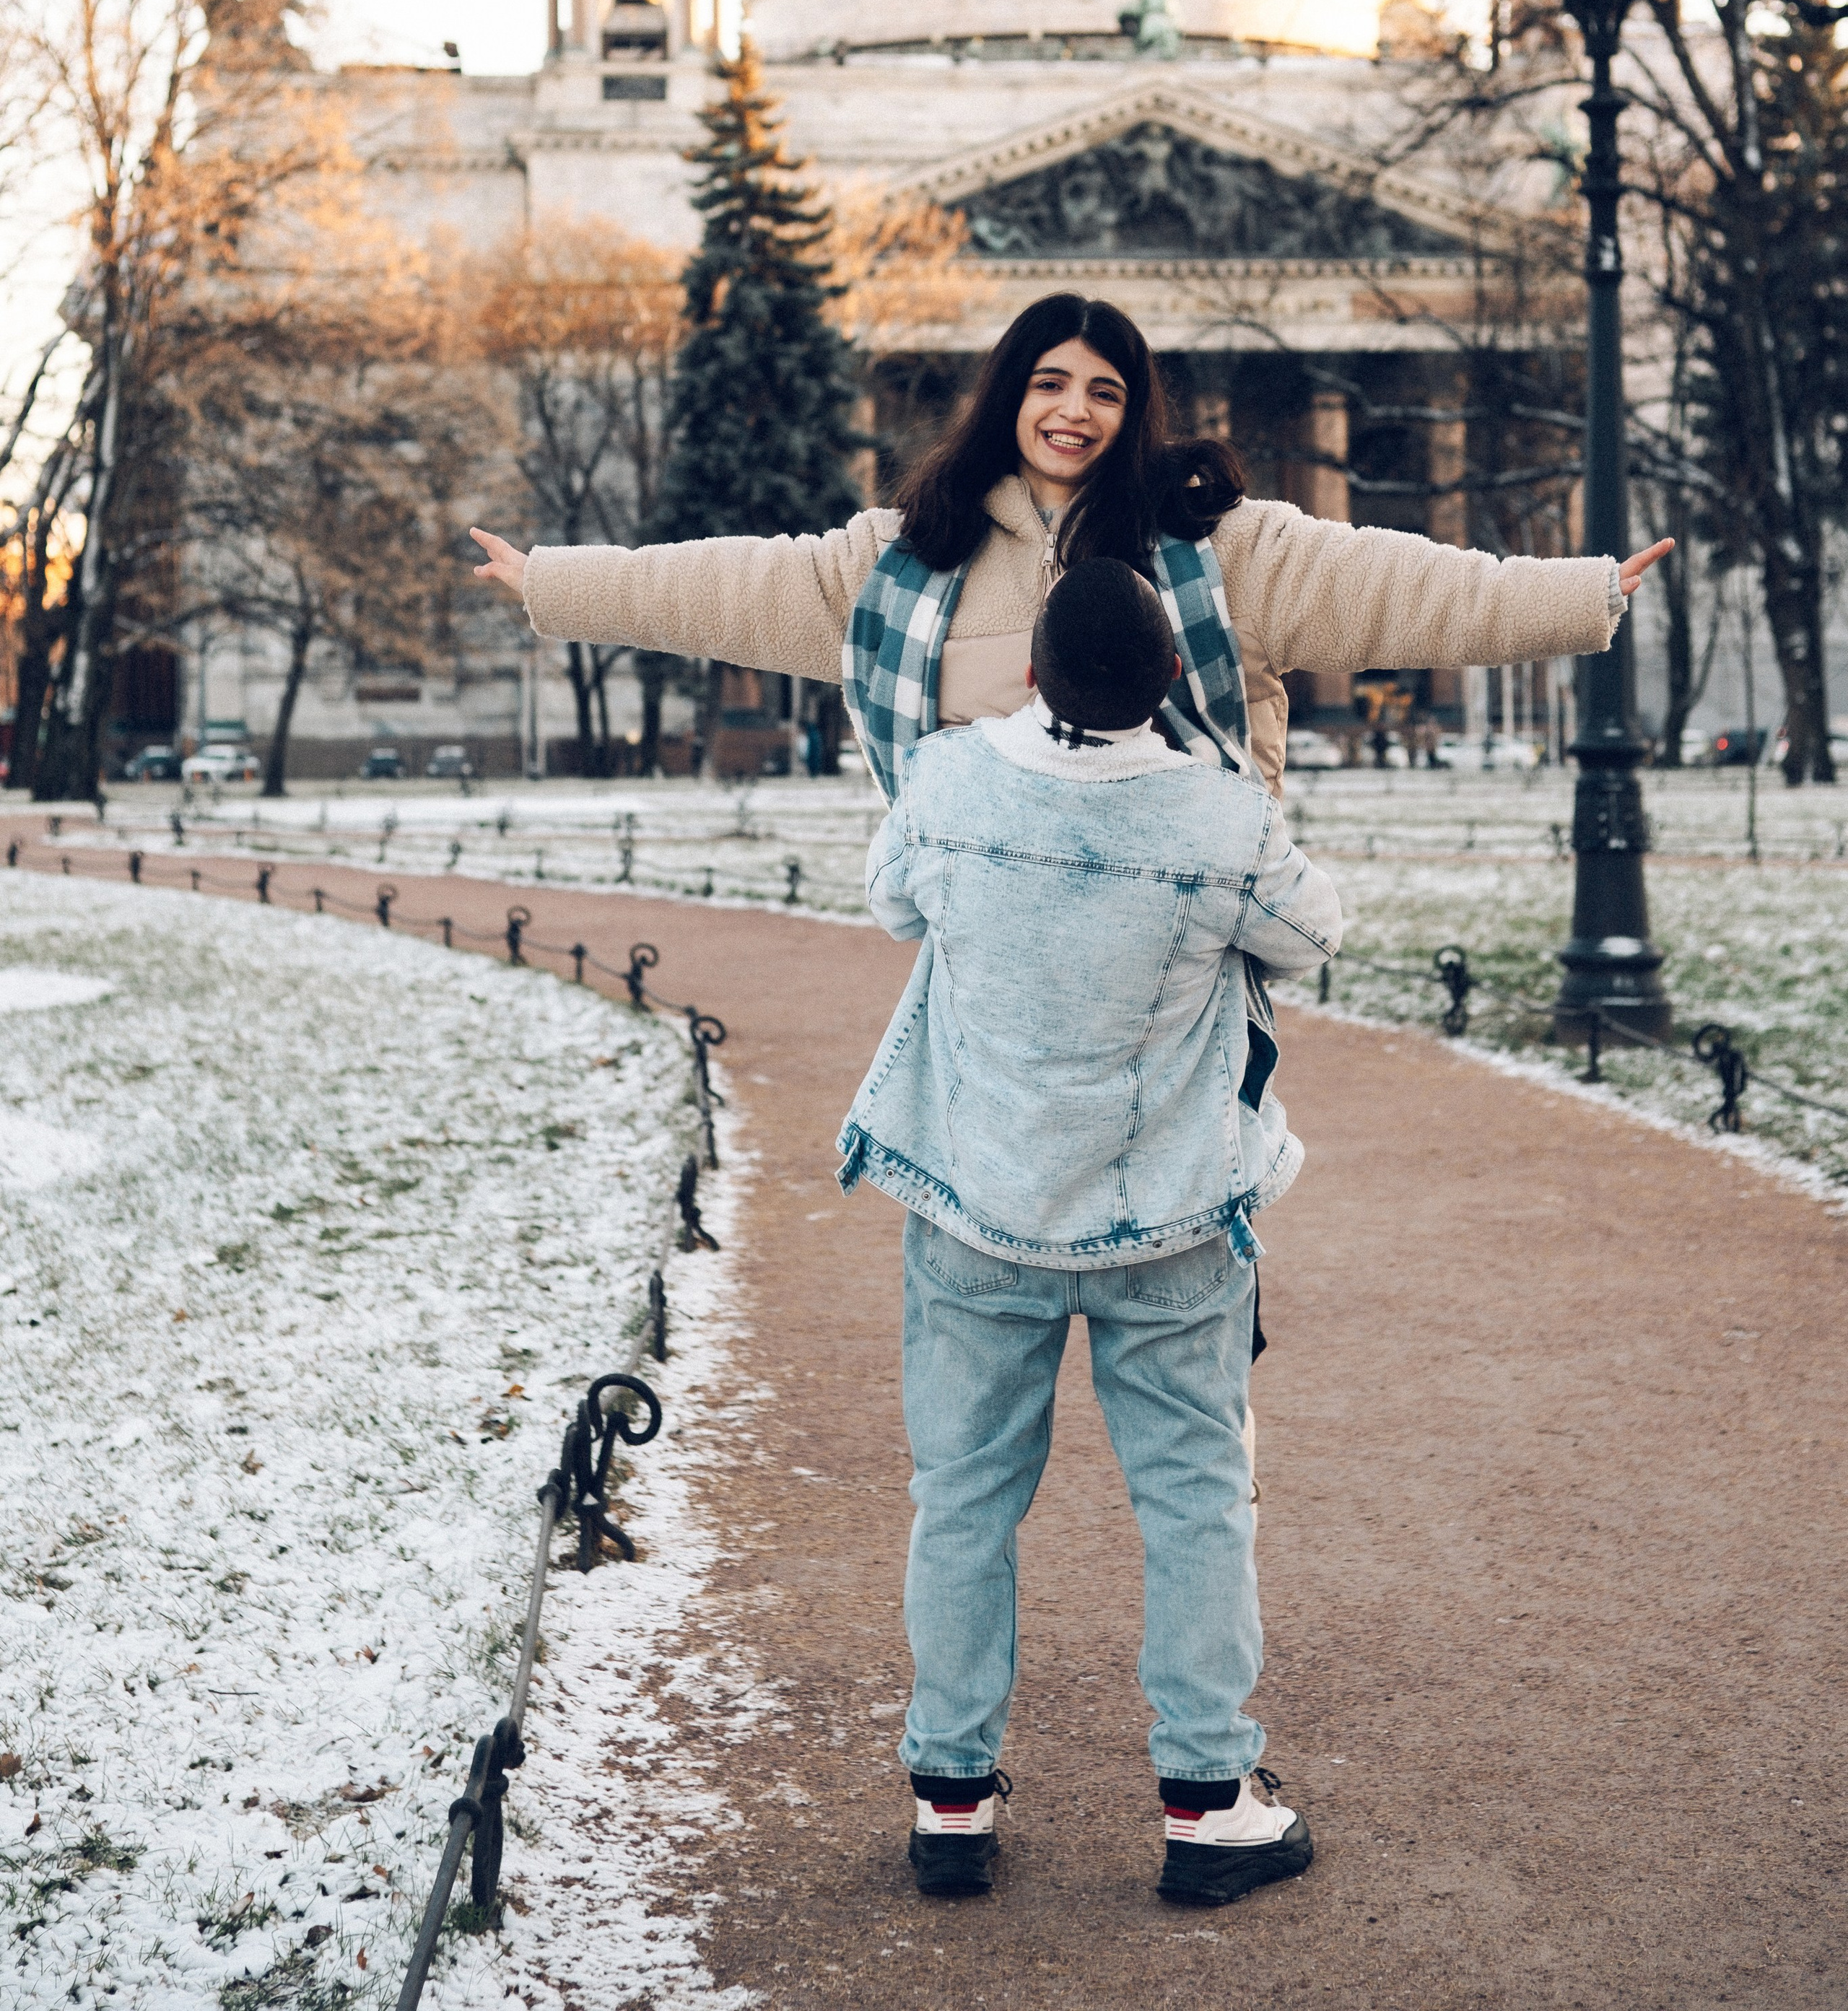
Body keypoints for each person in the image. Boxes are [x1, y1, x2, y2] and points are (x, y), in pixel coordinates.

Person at [846, 557, 1341, 1907]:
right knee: (1194, 1501)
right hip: (1166, 1217)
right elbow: (1312, 933)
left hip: (977, 1205)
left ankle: (951, 1797)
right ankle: (1208, 1802)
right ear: (1171, 678)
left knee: (963, 1498)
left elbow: (893, 904)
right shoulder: (1221, 817)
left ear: (1030, 674)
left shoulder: (946, 781)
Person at [471, 291, 1673, 805]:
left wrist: (1575, 596)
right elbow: (733, 584)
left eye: (1105, 390)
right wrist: (555, 582)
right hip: (1000, 948)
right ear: (1010, 394)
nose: (1074, 412)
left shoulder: (1220, 547)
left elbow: (1403, 586)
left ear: (1133, 409)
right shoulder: (906, 559)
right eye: (1049, 383)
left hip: (1176, 941)